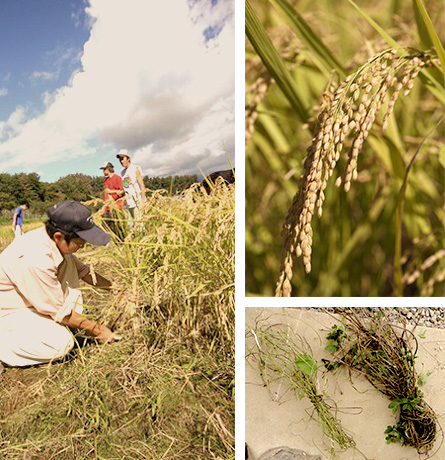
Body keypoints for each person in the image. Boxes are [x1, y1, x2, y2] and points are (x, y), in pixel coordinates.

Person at [0, 200, 119, 369]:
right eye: (80, 243)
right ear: (59, 237)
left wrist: (117, 289)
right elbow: (60, 312)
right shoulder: (35, 258)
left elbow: (84, 272)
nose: (82, 247)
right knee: (60, 344)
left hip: (29, 302)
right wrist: (98, 330)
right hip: (8, 313)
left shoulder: (53, 241)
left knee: (69, 263)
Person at [116, 149, 146, 218]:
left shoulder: (135, 168)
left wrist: (143, 201)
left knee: (139, 225)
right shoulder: (122, 172)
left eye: (123, 158)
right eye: (120, 159)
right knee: (130, 226)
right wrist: (122, 192)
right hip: (128, 203)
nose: (121, 161)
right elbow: (127, 186)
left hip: (137, 201)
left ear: (128, 158)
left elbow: (141, 185)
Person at [100, 161, 126, 239]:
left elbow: (122, 191)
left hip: (117, 207)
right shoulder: (106, 181)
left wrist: (111, 191)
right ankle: (111, 240)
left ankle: (121, 241)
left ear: (108, 169)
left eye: (104, 169)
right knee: (105, 224)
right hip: (108, 207)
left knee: (119, 226)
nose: (103, 171)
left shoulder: (118, 178)